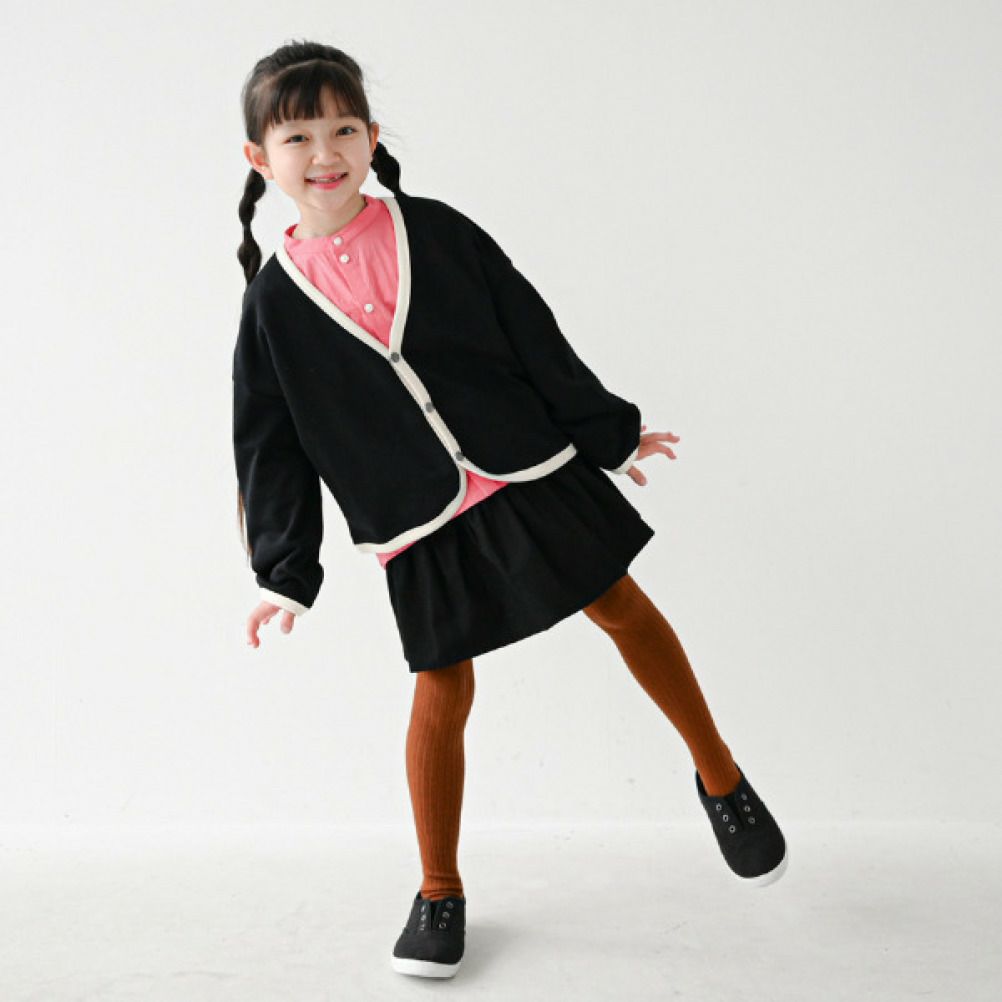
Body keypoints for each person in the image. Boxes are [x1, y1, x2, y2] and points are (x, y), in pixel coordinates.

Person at [234, 39, 787, 980]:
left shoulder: (439, 232)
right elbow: (268, 443)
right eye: (298, 137)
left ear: (372, 137)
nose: (324, 153)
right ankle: (438, 889)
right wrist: (285, 570)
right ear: (260, 158)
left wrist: (609, 432)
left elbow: (531, 330)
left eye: (343, 130)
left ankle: (721, 776)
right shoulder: (271, 306)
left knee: (620, 603)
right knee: (442, 686)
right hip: (415, 514)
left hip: (525, 465)